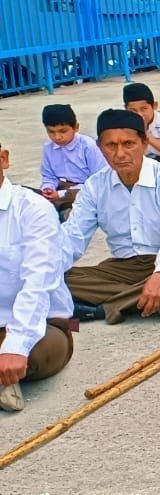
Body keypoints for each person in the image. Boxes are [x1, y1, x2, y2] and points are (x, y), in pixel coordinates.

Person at [62, 110, 160, 324]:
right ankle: (145, 299)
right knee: (59, 278)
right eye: (111, 145)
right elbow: (73, 236)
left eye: (128, 144)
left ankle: (102, 309)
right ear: (100, 147)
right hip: (124, 267)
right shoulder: (94, 186)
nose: (120, 154)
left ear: (144, 143)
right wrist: (43, 272)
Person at [0, 137, 76, 412]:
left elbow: (38, 282)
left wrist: (15, 346)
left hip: (42, 324)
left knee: (39, 353)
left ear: (3, 159)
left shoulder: (33, 209)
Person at [38, 104, 107, 215]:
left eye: (62, 131)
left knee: (69, 212)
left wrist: (61, 194)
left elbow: (98, 180)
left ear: (76, 127)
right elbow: (49, 176)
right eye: (51, 132)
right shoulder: (49, 148)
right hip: (61, 188)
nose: (57, 137)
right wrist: (48, 188)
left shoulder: (88, 147)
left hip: (86, 189)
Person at [124, 83, 160, 160]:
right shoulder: (124, 123)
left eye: (144, 109)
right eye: (133, 110)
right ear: (126, 109)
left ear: (154, 106)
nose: (139, 115)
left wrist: (145, 134)